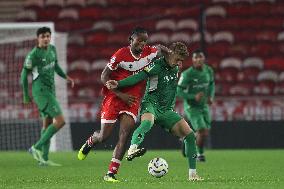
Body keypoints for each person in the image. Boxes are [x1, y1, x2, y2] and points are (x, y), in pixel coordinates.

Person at [77, 27, 170, 182]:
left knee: (124, 135)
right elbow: (104, 76)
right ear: (131, 40)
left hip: (132, 101)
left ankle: (111, 174)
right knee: (104, 136)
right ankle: (92, 140)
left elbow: (161, 48)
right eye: (139, 40)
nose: (142, 43)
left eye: (144, 40)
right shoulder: (120, 54)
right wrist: (121, 94)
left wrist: (173, 59)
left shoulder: (150, 52)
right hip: (114, 97)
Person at [106, 42, 203, 181]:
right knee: (148, 122)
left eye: (181, 60)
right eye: (178, 59)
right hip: (150, 104)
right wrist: (119, 84)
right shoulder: (156, 66)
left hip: (166, 110)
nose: (179, 63)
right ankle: (133, 149)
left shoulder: (175, 67)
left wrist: (176, 62)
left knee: (190, 136)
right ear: (171, 54)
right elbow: (138, 77)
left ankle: (193, 175)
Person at [20, 27, 74, 166]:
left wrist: (65, 77)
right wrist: (26, 95)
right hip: (41, 92)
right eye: (43, 36)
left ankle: (43, 159)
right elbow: (24, 75)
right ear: (38, 38)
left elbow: (55, 66)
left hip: (50, 91)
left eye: (48, 36)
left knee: (48, 123)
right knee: (60, 121)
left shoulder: (52, 49)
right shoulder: (34, 55)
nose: (46, 38)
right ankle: (35, 147)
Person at [177, 49, 215, 162]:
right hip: (192, 107)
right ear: (192, 60)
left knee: (204, 132)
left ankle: (187, 139)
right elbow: (178, 91)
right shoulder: (187, 74)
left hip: (204, 106)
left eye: (200, 57)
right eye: (196, 57)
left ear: (204, 58)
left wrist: (211, 96)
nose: (198, 59)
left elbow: (212, 84)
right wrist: (193, 97)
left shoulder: (208, 70)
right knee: (202, 130)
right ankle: (200, 154)